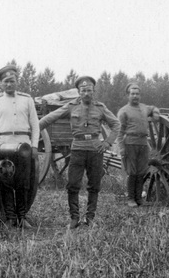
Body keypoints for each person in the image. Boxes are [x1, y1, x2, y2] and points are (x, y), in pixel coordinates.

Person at [38, 75, 120, 229]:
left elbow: (116, 124)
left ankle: (90, 218)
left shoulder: (101, 108)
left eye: (89, 90)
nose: (86, 93)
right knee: (73, 184)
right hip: (77, 150)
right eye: (83, 90)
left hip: (96, 149)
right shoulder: (71, 106)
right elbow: (49, 118)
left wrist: (108, 142)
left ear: (93, 91)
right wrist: (35, 129)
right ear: (78, 92)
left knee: (94, 185)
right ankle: (74, 218)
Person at [0, 64, 40, 228]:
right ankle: (10, 218)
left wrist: (34, 146)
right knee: (5, 182)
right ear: (0, 84)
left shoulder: (27, 99)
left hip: (23, 145)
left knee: (23, 182)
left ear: (17, 81)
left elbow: (35, 126)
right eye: (6, 81)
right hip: (2, 145)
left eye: (12, 81)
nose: (9, 84)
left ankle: (22, 217)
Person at [117, 82, 160, 207]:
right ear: (128, 95)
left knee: (141, 172)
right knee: (132, 172)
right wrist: (121, 148)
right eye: (132, 94)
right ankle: (131, 199)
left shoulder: (143, 108)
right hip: (130, 143)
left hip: (143, 143)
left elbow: (152, 109)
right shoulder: (123, 111)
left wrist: (156, 112)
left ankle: (139, 199)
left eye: (137, 94)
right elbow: (119, 132)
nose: (135, 96)